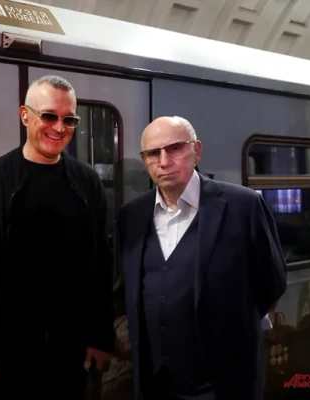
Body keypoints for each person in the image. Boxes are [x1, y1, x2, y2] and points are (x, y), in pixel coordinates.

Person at [0, 75, 115, 399]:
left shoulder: (87, 183)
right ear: (25, 115)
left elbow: (99, 266)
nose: (59, 128)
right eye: (49, 116)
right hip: (6, 354)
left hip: (69, 353)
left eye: (69, 120)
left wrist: (100, 337)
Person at [116, 116, 287, 400]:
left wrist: (232, 324)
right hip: (154, 381)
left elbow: (272, 281)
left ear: (196, 150)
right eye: (153, 153)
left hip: (222, 381)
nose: (164, 161)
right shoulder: (131, 215)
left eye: (174, 148)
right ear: (145, 160)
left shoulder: (243, 206)